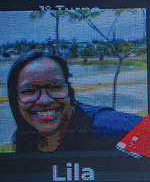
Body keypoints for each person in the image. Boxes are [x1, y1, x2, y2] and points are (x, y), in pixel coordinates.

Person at [6, 50, 140, 153]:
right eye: (29, 90)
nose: (45, 100)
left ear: (69, 91)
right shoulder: (26, 136)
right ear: (15, 99)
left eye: (55, 87)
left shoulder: (109, 128)